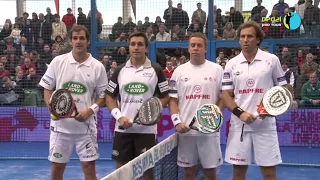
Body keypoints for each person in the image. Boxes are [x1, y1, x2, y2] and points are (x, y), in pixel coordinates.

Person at [39, 25, 108, 180]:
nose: (78, 41)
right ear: (70, 41)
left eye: (82, 38)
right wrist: (51, 106)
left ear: (88, 41)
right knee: (57, 168)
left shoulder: (98, 67)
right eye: (75, 38)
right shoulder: (58, 62)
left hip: (86, 128)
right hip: (60, 129)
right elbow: (47, 88)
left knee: (89, 167)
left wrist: (90, 111)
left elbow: (103, 97)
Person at [221, 21, 287, 180]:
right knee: (238, 172)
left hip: (265, 126)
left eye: (249, 36)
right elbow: (225, 95)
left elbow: (284, 89)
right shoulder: (231, 64)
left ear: (258, 39)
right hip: (239, 125)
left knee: (269, 172)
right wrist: (240, 113)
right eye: (242, 36)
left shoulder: (271, 60)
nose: (245, 40)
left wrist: (271, 108)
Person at [104, 32, 170, 179]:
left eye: (140, 44)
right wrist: (119, 117)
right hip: (122, 130)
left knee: (147, 171)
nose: (136, 47)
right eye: (133, 44)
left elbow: (165, 96)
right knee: (121, 171)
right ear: (129, 47)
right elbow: (109, 97)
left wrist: (154, 110)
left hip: (147, 131)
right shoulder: (119, 70)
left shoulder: (156, 69)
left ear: (146, 48)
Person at [168, 32, 224, 180]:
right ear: (188, 48)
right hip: (186, 132)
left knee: (210, 173)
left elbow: (223, 98)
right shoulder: (179, 72)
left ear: (205, 48)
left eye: (199, 45)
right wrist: (177, 122)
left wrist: (215, 118)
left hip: (209, 132)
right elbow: (172, 100)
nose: (195, 48)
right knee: (188, 172)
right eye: (193, 45)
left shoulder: (217, 70)